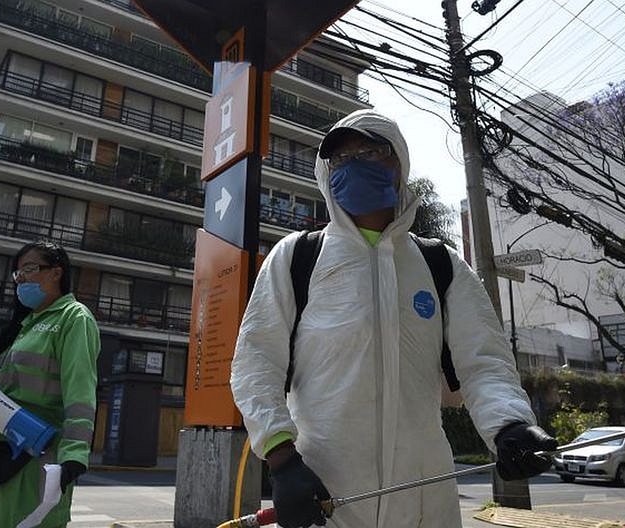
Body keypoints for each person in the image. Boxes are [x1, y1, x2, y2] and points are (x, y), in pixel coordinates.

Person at [230, 109, 557, 528]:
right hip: (323, 496)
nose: (353, 165)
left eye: (369, 152)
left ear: (399, 162)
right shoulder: (296, 258)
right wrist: (282, 460)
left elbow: (485, 362)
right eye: (341, 159)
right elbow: (256, 362)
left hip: (424, 500)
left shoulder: (441, 265)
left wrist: (509, 424)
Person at [0, 241, 100, 528]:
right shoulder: (23, 326)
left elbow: (80, 392)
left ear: (56, 273)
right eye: (17, 273)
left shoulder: (74, 318)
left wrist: (74, 455)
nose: (20, 279)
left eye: (29, 269)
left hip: (35, 456)